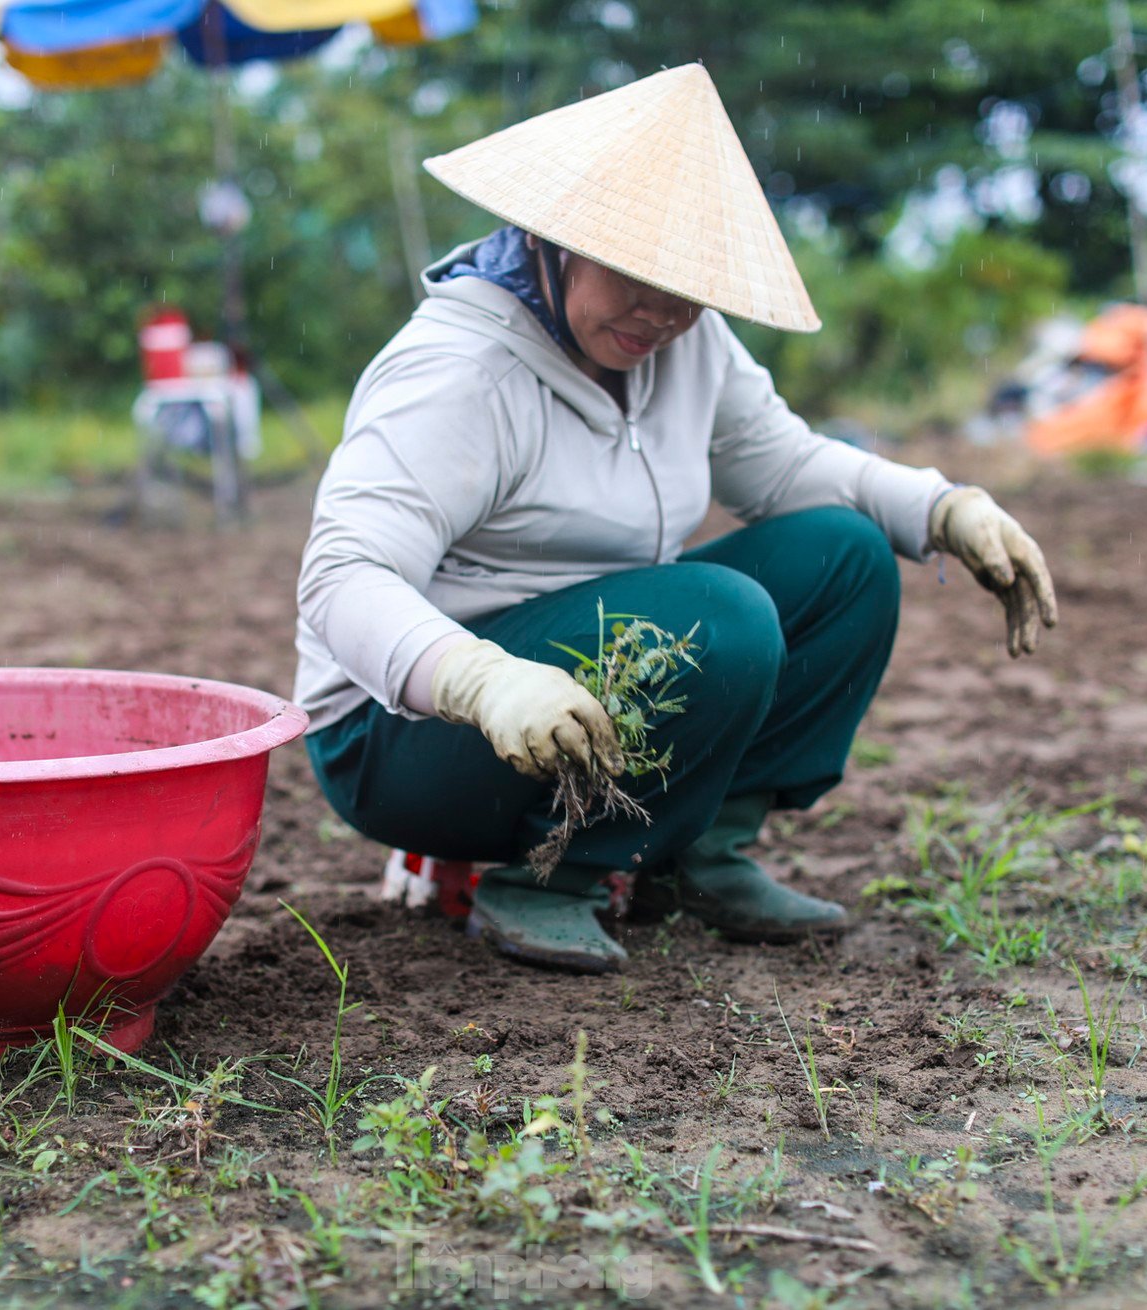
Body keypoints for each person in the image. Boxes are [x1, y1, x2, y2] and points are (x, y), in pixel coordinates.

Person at [293, 64, 1057, 973]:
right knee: (720, 615)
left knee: (845, 554)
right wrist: (481, 681)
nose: (661, 314)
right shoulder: (462, 375)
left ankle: (697, 856)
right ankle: (550, 876)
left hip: (580, 666)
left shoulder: (682, 345)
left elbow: (784, 466)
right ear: (559, 238)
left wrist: (941, 508)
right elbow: (342, 578)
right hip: (407, 735)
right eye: (637, 278)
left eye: (689, 289)